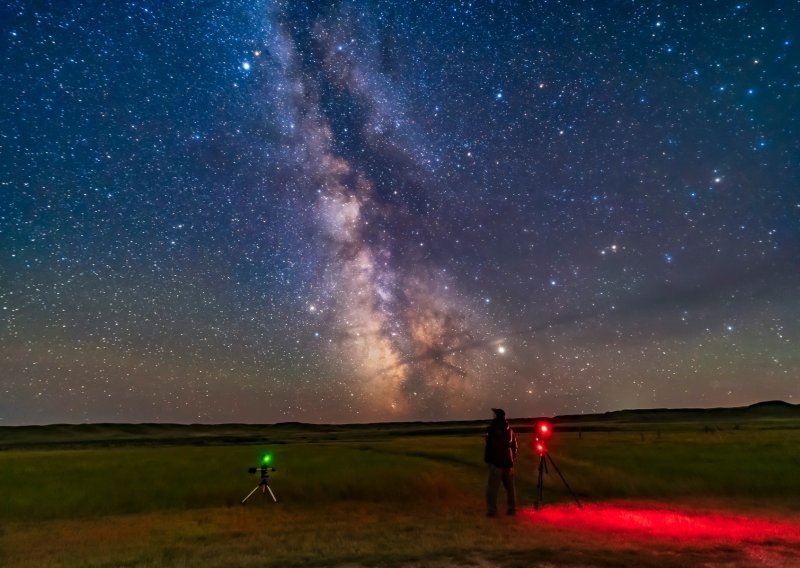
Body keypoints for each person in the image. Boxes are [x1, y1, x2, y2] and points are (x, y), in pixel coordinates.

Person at [484, 408, 518, 516]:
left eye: (494, 414)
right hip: (508, 463)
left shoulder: (491, 429)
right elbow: (515, 447)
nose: (492, 416)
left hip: (496, 463)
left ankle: (492, 511)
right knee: (510, 489)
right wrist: (512, 459)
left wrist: (488, 460)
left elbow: (489, 447)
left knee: (492, 489)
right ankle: (512, 509)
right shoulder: (510, 430)